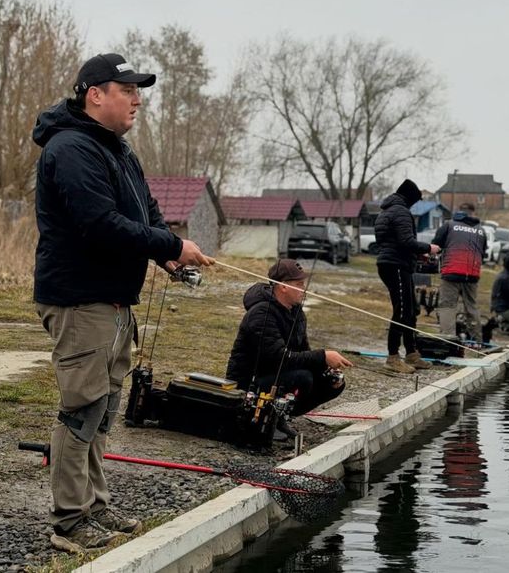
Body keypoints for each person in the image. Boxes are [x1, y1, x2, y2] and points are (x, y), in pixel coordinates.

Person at [33, 53, 215, 553]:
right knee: (82, 408)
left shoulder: (119, 150)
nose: (137, 100)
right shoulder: (71, 148)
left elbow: (146, 213)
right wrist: (172, 244)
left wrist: (168, 255)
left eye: (139, 91)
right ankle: (69, 521)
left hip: (114, 301)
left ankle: (95, 505)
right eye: (128, 90)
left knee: (105, 406)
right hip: (79, 299)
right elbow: (100, 224)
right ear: (95, 94)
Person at [226, 259, 352, 439]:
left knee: (331, 382)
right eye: (299, 284)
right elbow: (278, 358)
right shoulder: (261, 313)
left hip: (276, 374)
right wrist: (322, 356)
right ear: (283, 286)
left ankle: (280, 417)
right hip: (249, 384)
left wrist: (325, 369)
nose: (304, 289)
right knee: (303, 378)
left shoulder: (297, 312)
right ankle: (265, 418)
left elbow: (303, 351)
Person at [374, 179, 440, 373]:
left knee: (411, 310)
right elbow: (406, 241)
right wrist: (428, 248)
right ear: (410, 197)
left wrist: (418, 255)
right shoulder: (401, 211)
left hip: (395, 263)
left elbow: (393, 242)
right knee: (402, 311)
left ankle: (412, 354)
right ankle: (393, 357)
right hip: (395, 265)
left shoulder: (387, 211)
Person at [431, 202, 487, 340]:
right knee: (471, 306)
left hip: (451, 272)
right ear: (473, 213)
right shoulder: (481, 230)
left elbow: (435, 246)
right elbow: (483, 253)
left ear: (459, 211)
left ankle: (448, 340)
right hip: (472, 274)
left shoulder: (449, 225)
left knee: (448, 306)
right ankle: (477, 341)